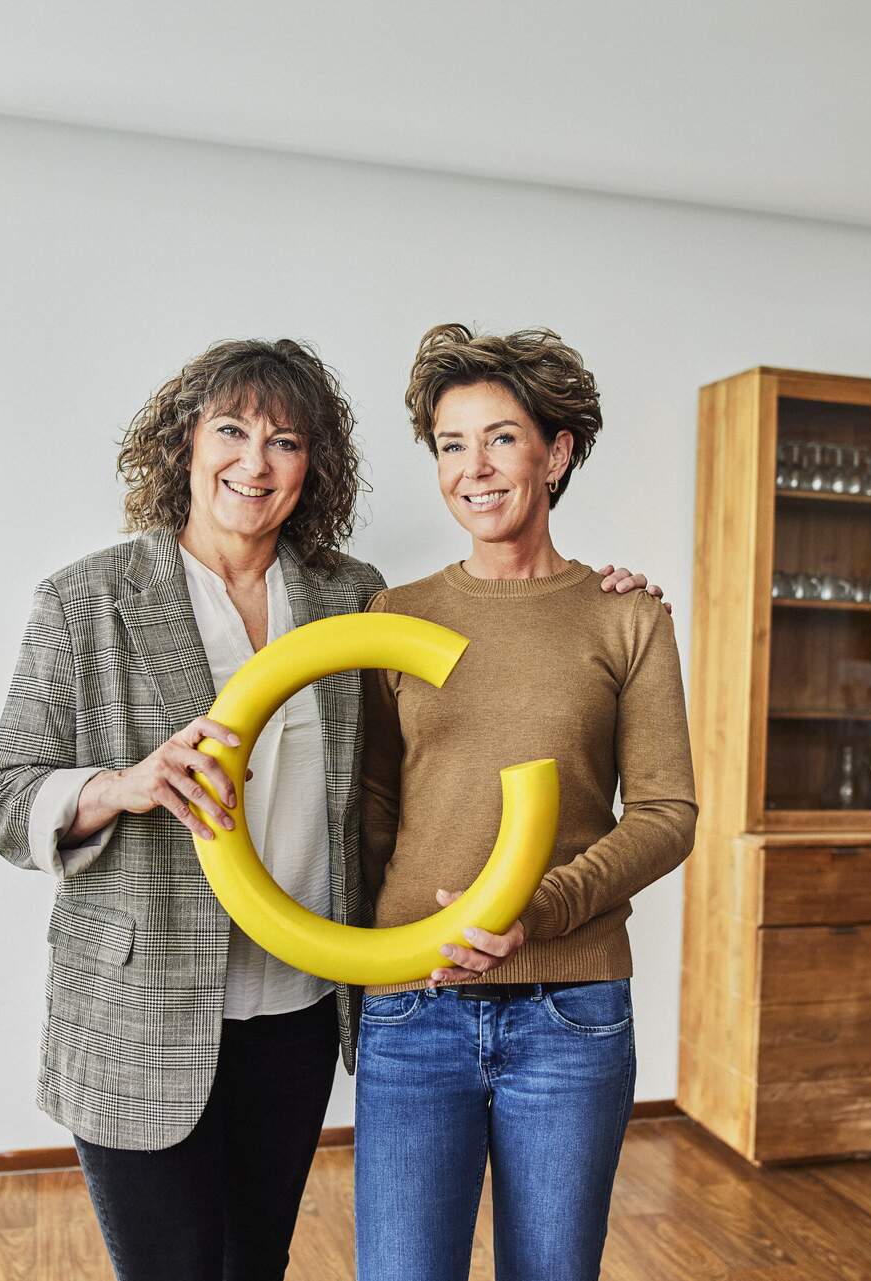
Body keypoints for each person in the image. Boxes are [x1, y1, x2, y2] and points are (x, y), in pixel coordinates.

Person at [0, 337, 659, 1281]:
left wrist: (607, 598)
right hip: (143, 1008)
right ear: (184, 443)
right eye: (231, 431)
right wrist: (121, 785)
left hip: (295, 1008)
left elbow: (394, 781)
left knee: (257, 1261)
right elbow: (4, 795)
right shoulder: (87, 599)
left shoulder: (350, 597)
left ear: (312, 468)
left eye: (286, 442)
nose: (254, 463)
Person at [354, 324, 698, 1281]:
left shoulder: (626, 615)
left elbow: (667, 811)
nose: (474, 467)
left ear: (557, 453)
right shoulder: (394, 616)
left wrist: (534, 910)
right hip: (414, 1004)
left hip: (570, 1015)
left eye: (501, 438)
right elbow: (376, 804)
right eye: (451, 444)